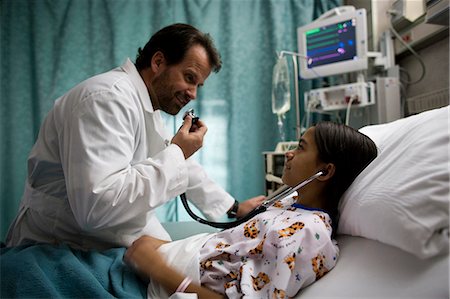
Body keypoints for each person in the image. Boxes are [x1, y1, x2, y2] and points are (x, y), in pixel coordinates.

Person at [5, 23, 264, 250]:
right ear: (158, 62)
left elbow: (185, 170)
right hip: (59, 243)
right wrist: (177, 152)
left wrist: (234, 208)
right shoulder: (107, 99)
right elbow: (97, 207)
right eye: (189, 78)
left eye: (198, 85)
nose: (193, 94)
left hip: (99, 238)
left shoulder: (144, 106)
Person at [124, 121, 378, 298]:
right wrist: (160, 252)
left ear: (326, 171)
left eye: (300, 147)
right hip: (158, 264)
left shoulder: (311, 234)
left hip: (161, 283)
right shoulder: (290, 205)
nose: (289, 154)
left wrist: (157, 267)